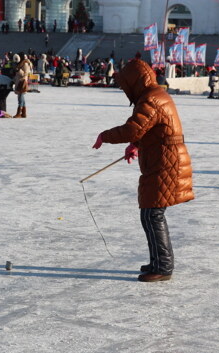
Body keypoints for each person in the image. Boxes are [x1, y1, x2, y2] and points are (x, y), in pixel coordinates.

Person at [92, 59, 194, 282]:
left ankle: (163, 266)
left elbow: (133, 128)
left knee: (152, 213)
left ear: (135, 82)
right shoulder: (155, 95)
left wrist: (105, 136)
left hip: (166, 162)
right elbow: (152, 128)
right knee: (151, 213)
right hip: (162, 159)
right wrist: (137, 146)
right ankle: (158, 260)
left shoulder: (152, 99)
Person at [13, 52, 32, 118]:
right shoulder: (20, 64)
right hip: (19, 82)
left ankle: (19, 113)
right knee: (22, 98)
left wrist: (19, 70)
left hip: (22, 82)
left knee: (20, 98)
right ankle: (24, 113)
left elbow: (25, 74)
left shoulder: (25, 64)